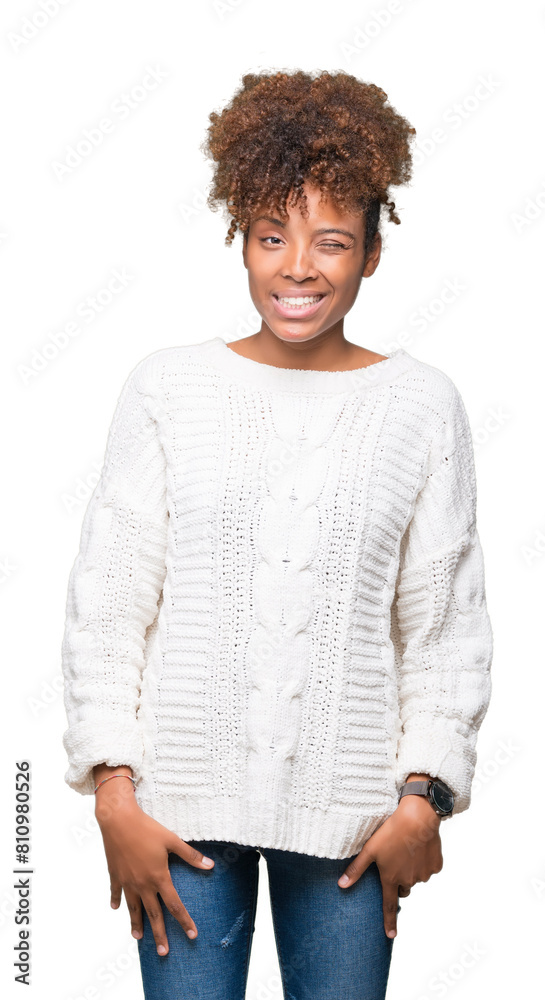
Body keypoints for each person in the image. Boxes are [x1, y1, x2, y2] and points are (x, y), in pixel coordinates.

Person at [61, 69, 494, 1000]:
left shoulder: (422, 406)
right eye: (271, 236)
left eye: (331, 240)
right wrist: (113, 796)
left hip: (353, 826)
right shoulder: (167, 388)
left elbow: (445, 630)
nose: (297, 266)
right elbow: (110, 605)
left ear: (372, 252)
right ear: (242, 239)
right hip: (176, 817)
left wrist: (425, 798)